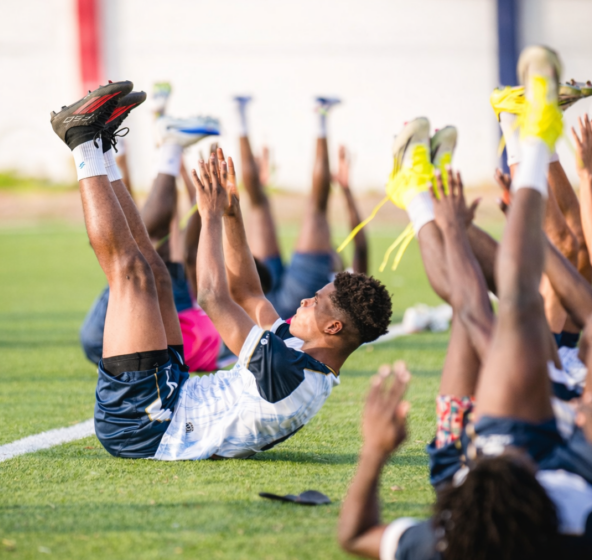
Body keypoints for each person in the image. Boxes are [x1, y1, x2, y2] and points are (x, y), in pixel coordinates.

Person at [338, 45, 592, 560]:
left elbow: (354, 535)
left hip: (483, 490)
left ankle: (500, 151)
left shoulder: (457, 536)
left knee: (498, 310)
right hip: (574, 474)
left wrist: (373, 452)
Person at [51, 81, 392, 460]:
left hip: (142, 424)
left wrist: (209, 216)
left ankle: (81, 140)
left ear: (334, 328)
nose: (308, 299)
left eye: (318, 302)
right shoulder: (305, 358)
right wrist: (232, 212)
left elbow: (214, 297)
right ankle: (100, 145)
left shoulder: (289, 372)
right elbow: (249, 293)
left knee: (132, 275)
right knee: (158, 274)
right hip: (171, 395)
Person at [78, 93, 225, 370]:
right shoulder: (221, 332)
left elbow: (186, 245)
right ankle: (154, 144)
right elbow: (185, 244)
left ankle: (146, 144)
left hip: (123, 338)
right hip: (147, 329)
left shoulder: (218, 329)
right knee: (137, 237)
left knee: (137, 237)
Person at [234, 96, 368, 320]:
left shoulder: (340, 282)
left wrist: (345, 189)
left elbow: (361, 248)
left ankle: (241, 114)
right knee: (264, 205)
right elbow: (361, 250)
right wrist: (346, 189)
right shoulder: (346, 287)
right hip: (293, 302)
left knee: (309, 206)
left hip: (276, 298)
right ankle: (241, 114)